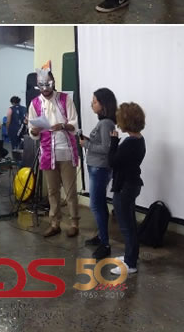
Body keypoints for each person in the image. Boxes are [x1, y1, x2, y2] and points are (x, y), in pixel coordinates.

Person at [27, 68, 80, 238]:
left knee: (70, 191)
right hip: (47, 152)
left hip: (66, 150)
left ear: (53, 82)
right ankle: (55, 223)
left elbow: (74, 124)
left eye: (48, 84)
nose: (45, 88)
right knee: (52, 191)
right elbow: (32, 130)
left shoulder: (65, 99)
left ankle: (74, 223)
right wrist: (34, 131)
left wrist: (63, 125)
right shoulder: (35, 103)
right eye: (41, 85)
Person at [108, 101, 147, 276]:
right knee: (129, 223)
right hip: (132, 185)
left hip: (125, 187)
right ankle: (131, 256)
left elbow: (112, 162)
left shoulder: (129, 143)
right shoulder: (139, 139)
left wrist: (113, 141)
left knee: (126, 226)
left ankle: (130, 263)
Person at [81, 88, 117, 260]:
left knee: (96, 205)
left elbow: (106, 148)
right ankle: (101, 236)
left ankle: (105, 244)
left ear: (104, 104)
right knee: (99, 204)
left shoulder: (106, 123)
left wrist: (86, 145)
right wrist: (88, 140)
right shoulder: (104, 123)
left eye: (95, 101)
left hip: (100, 168)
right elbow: (102, 143)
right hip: (96, 167)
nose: (92, 104)